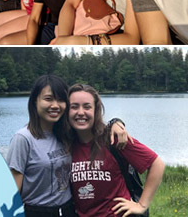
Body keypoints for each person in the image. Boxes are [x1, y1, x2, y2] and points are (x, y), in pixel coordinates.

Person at [7, 75, 128, 217]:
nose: (55, 105)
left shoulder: (66, 134)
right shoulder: (23, 139)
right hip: (37, 211)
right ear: (35, 101)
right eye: (48, 99)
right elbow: (12, 192)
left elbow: (91, 125)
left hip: (68, 210)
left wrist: (115, 122)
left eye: (61, 100)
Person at [68, 84, 165, 217]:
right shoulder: (65, 143)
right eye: (74, 107)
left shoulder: (114, 139)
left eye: (87, 106)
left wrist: (141, 205)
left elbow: (157, 164)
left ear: (96, 110)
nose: (80, 112)